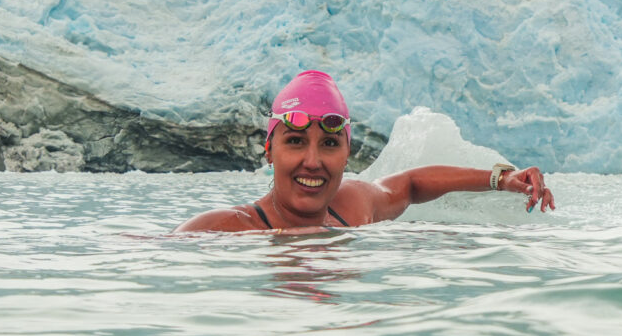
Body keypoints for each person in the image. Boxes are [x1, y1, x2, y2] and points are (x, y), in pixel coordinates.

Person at [179, 70, 554, 233]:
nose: (313, 161)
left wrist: (502, 178)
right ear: (269, 151)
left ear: (347, 153)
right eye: (294, 141)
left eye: (329, 143)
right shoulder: (224, 229)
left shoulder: (353, 207)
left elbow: (410, 183)